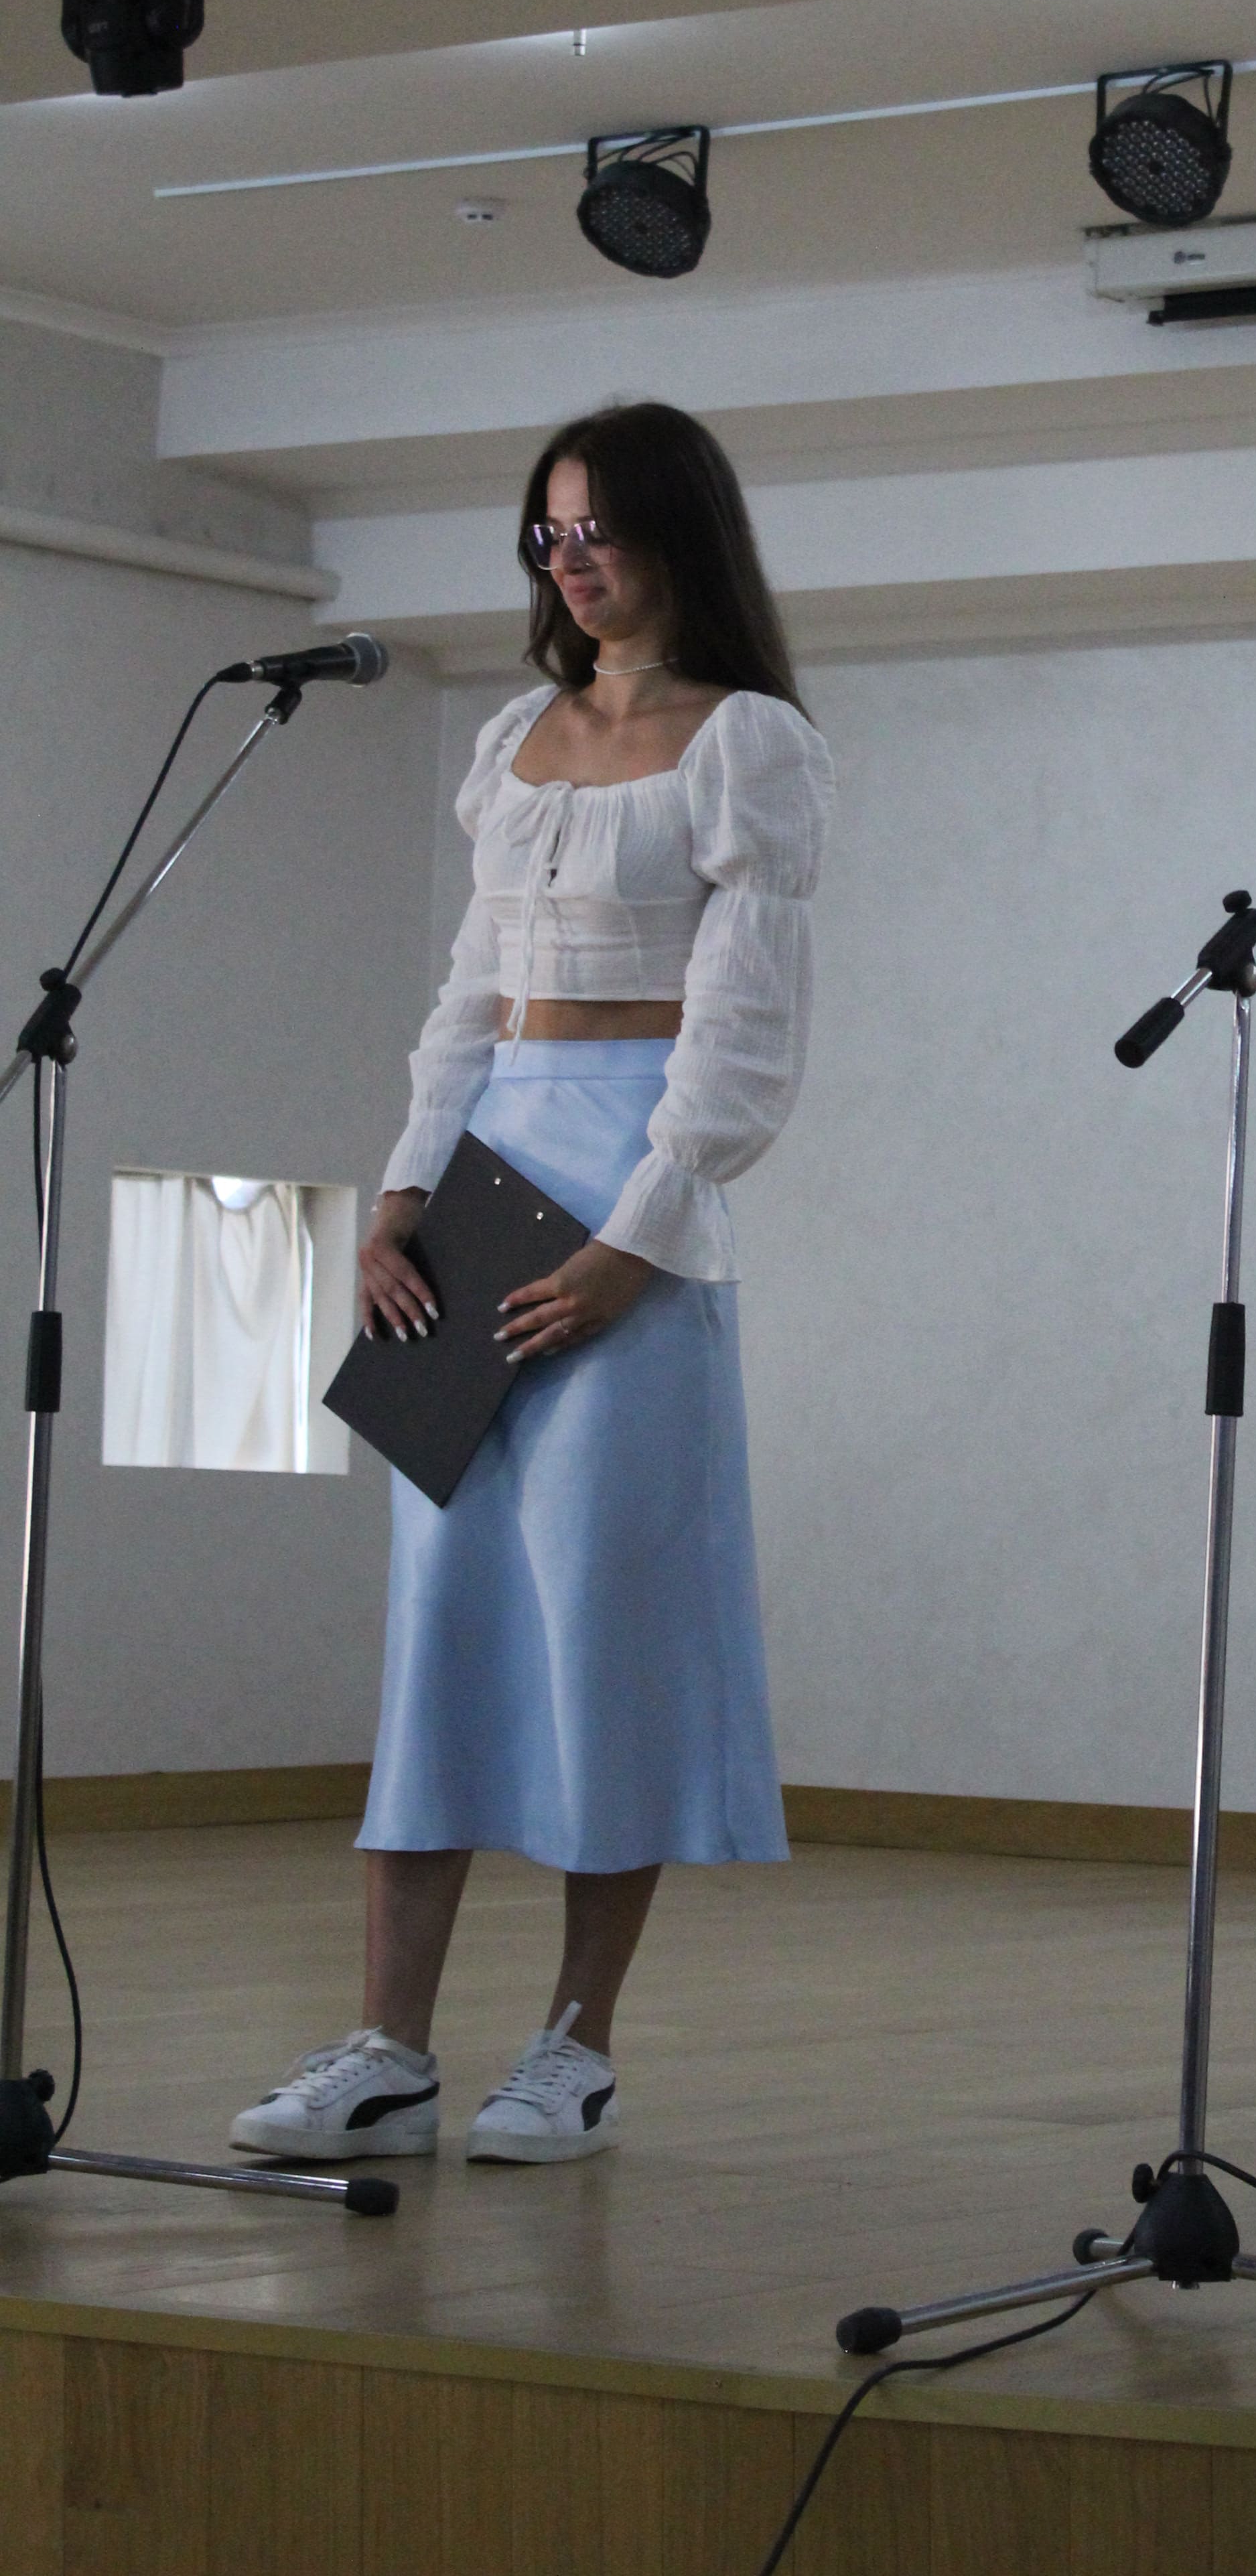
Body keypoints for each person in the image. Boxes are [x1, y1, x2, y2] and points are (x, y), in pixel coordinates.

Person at [232, 401, 832, 2168]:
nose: (569, 563)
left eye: (598, 531)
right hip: (484, 1188)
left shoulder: (749, 742)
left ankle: (574, 2048)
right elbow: (469, 1002)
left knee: (604, 1634)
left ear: (676, 538)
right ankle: (388, 2050)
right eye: (548, 535)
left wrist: (631, 1248)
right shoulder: (512, 737)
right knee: (440, 1631)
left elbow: (745, 1035)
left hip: (631, 1210)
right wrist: (400, 1197)